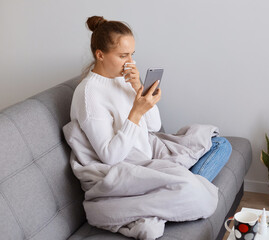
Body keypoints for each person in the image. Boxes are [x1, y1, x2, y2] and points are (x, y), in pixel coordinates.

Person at [70, 15, 232, 185]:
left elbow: (154, 126)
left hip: (151, 152)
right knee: (189, 183)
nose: (130, 63)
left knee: (220, 144)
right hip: (133, 168)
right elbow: (111, 156)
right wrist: (136, 112)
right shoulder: (89, 94)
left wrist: (138, 88)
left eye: (132, 55)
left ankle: (183, 185)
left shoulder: (122, 78)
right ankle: (185, 185)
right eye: (123, 56)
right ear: (100, 55)